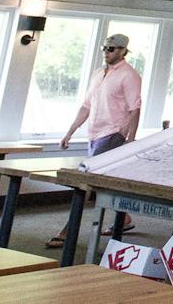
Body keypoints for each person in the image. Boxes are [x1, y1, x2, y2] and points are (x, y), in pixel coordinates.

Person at [46, 33, 143, 249]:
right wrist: (70, 131)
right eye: (105, 48)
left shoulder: (129, 75)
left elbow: (135, 107)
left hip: (113, 133)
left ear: (123, 51)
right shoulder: (98, 74)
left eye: (112, 49)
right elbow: (87, 105)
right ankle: (124, 217)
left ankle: (67, 231)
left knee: (85, 183)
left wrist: (131, 138)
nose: (107, 52)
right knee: (105, 182)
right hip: (95, 134)